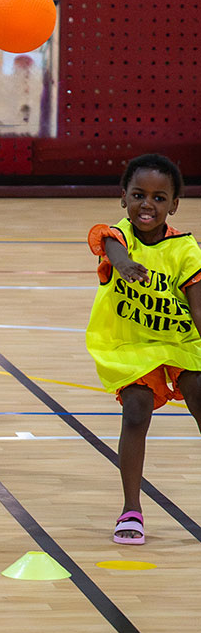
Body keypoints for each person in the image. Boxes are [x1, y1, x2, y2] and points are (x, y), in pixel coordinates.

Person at [85, 154, 201, 545]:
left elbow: (198, 307)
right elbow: (110, 246)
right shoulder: (116, 235)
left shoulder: (185, 250)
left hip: (180, 339)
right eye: (138, 195)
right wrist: (123, 264)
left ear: (173, 205)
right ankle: (131, 509)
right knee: (136, 410)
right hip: (130, 343)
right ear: (123, 198)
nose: (147, 204)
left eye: (158, 197)